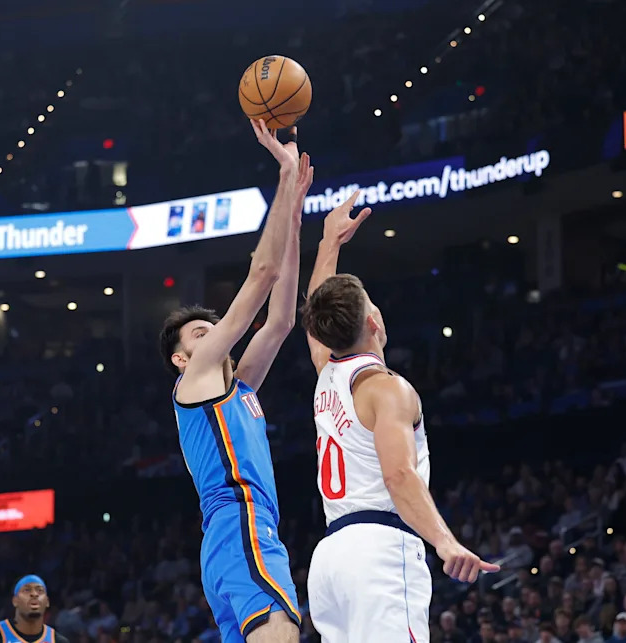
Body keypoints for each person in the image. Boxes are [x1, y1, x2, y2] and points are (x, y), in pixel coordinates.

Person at [300, 191, 499, 642]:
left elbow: (316, 319)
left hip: (330, 558)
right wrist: (445, 543)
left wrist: (328, 242)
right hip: (380, 551)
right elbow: (398, 475)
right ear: (374, 320)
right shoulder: (387, 389)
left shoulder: (327, 372)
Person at [160, 119, 312, 643]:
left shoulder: (238, 388)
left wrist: (292, 217)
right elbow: (262, 274)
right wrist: (285, 175)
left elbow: (282, 319)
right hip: (240, 521)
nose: (213, 335)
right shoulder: (196, 378)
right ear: (183, 360)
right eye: (201, 334)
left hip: (236, 534)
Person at [0, 575, 68, 643]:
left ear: (47, 602)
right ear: (15, 601)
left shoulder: (58, 641)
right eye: (27, 590)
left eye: (39, 590)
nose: (34, 594)